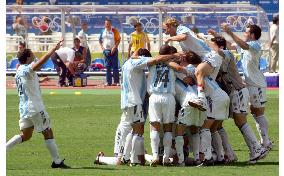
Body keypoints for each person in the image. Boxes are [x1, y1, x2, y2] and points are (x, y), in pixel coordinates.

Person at [95, 48, 178, 166]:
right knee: (135, 133)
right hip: (132, 102)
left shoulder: (131, 65)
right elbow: (156, 59)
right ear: (141, 57)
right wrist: (173, 56)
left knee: (136, 130)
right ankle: (125, 159)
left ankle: (133, 158)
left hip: (130, 103)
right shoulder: (134, 62)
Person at [6, 39, 70, 169]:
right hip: (34, 107)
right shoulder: (25, 68)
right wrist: (53, 49)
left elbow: (28, 83)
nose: (34, 56)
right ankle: (56, 161)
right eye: (32, 54)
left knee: (26, 135)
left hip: (24, 109)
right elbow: (38, 65)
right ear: (28, 57)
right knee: (48, 131)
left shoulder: (19, 71)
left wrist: (41, 80)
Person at [221, 23, 272, 152]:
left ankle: (266, 141)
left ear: (252, 35)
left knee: (258, 112)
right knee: (255, 111)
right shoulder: (245, 46)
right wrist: (217, 37)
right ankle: (265, 141)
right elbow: (231, 45)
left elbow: (243, 45)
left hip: (256, 83)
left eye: (246, 32)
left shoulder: (255, 44)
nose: (244, 33)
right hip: (251, 83)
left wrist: (231, 32)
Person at [163, 17, 223, 111]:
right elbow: (185, 57)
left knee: (198, 72)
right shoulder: (184, 44)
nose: (166, 32)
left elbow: (183, 37)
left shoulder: (181, 29)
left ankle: (201, 100)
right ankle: (203, 102)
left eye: (165, 29)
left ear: (170, 26)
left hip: (210, 56)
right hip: (205, 60)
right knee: (203, 82)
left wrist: (169, 39)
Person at [99, 18, 121, 86]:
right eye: (106, 24)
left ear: (110, 24)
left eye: (108, 24)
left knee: (115, 67)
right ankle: (108, 82)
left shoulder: (114, 30)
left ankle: (116, 82)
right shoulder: (102, 31)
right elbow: (100, 40)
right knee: (107, 67)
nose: (107, 25)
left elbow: (118, 39)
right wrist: (103, 49)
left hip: (113, 50)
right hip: (106, 51)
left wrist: (115, 47)